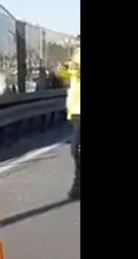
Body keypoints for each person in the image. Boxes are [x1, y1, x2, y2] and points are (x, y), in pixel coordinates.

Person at [59, 38, 80, 200]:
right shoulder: (73, 62)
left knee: (75, 148)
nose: (77, 51)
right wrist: (62, 70)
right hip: (74, 112)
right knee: (76, 149)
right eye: (76, 48)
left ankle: (77, 185)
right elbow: (66, 77)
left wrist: (76, 68)